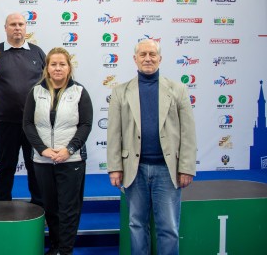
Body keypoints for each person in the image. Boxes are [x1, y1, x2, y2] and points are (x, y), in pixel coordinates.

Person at [107, 39, 197, 255]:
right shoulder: (120, 92)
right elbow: (114, 133)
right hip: (134, 170)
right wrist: (115, 167)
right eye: (143, 54)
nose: (148, 59)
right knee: (137, 225)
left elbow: (188, 132)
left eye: (152, 54)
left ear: (160, 58)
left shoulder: (178, 90)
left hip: (167, 170)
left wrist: (186, 167)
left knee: (168, 227)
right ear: (135, 59)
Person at [23, 47, 93, 255]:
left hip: (71, 160)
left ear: (69, 67)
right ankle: (55, 247)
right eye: (53, 64)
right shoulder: (36, 92)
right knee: (50, 207)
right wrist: (42, 149)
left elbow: (86, 125)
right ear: (47, 68)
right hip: (43, 161)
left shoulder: (79, 92)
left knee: (68, 209)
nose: (58, 68)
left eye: (62, 64)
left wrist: (69, 149)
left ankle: (65, 249)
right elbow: (28, 124)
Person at [0, 12, 45, 205]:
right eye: (12, 24)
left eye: (20, 24)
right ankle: (1, 205)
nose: (17, 28)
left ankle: (39, 205)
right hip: (4, 121)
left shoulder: (37, 52)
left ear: (26, 27)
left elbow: (46, 82)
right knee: (5, 165)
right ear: (5, 28)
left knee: (35, 165)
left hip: (33, 122)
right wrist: (3, 98)